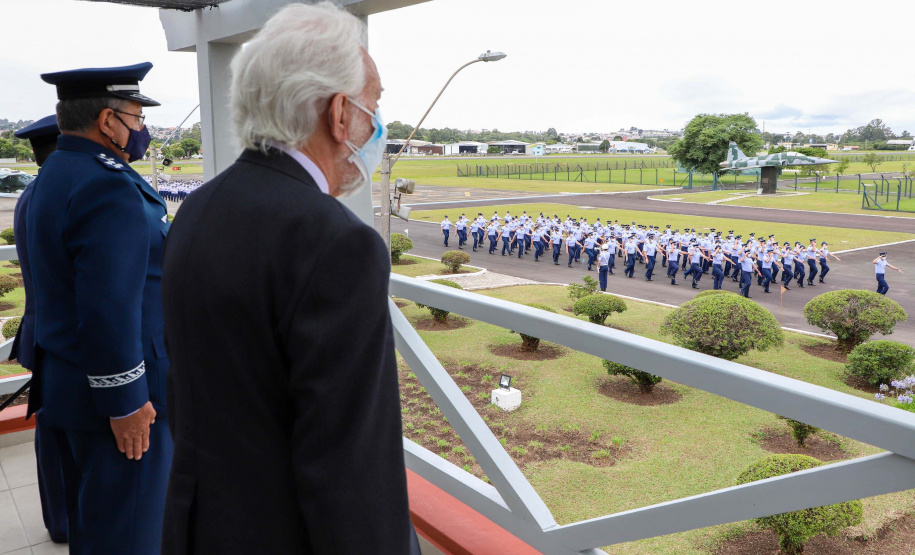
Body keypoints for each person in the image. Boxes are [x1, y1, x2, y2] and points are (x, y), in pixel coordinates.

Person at [160, 5, 418, 553]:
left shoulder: (201, 207)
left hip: (200, 526)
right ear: (340, 113)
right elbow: (353, 469)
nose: (376, 127)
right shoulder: (336, 242)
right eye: (373, 107)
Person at [26, 62, 172, 554]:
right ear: (108, 121)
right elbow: (108, 308)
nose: (142, 129)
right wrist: (125, 402)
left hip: (70, 387)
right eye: (137, 117)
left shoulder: (55, 173)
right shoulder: (107, 185)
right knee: (131, 536)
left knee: (96, 529)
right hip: (118, 404)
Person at [10, 116, 68, 544]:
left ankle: (60, 518)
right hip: (60, 339)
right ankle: (64, 519)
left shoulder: (32, 194)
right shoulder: (57, 196)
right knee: (59, 436)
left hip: (42, 333)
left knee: (52, 435)